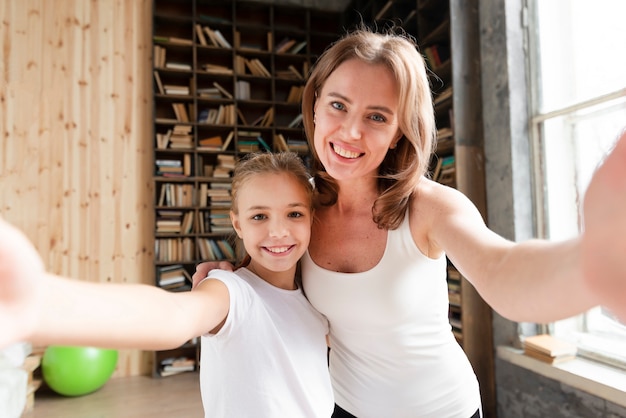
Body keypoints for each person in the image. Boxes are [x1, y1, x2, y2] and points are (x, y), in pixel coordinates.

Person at [193, 27, 626, 418]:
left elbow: (502, 269)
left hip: (443, 411)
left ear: (400, 130)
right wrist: (234, 277)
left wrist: (597, 260)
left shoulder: (430, 207)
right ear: (316, 105)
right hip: (345, 406)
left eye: (377, 117)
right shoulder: (298, 206)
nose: (350, 132)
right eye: (338, 106)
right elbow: (266, 274)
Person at [0, 152, 334, 418]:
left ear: (311, 218)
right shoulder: (231, 291)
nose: (278, 231)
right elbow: (173, 316)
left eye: (294, 214)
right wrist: (39, 305)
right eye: (259, 216)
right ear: (238, 224)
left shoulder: (316, 304)